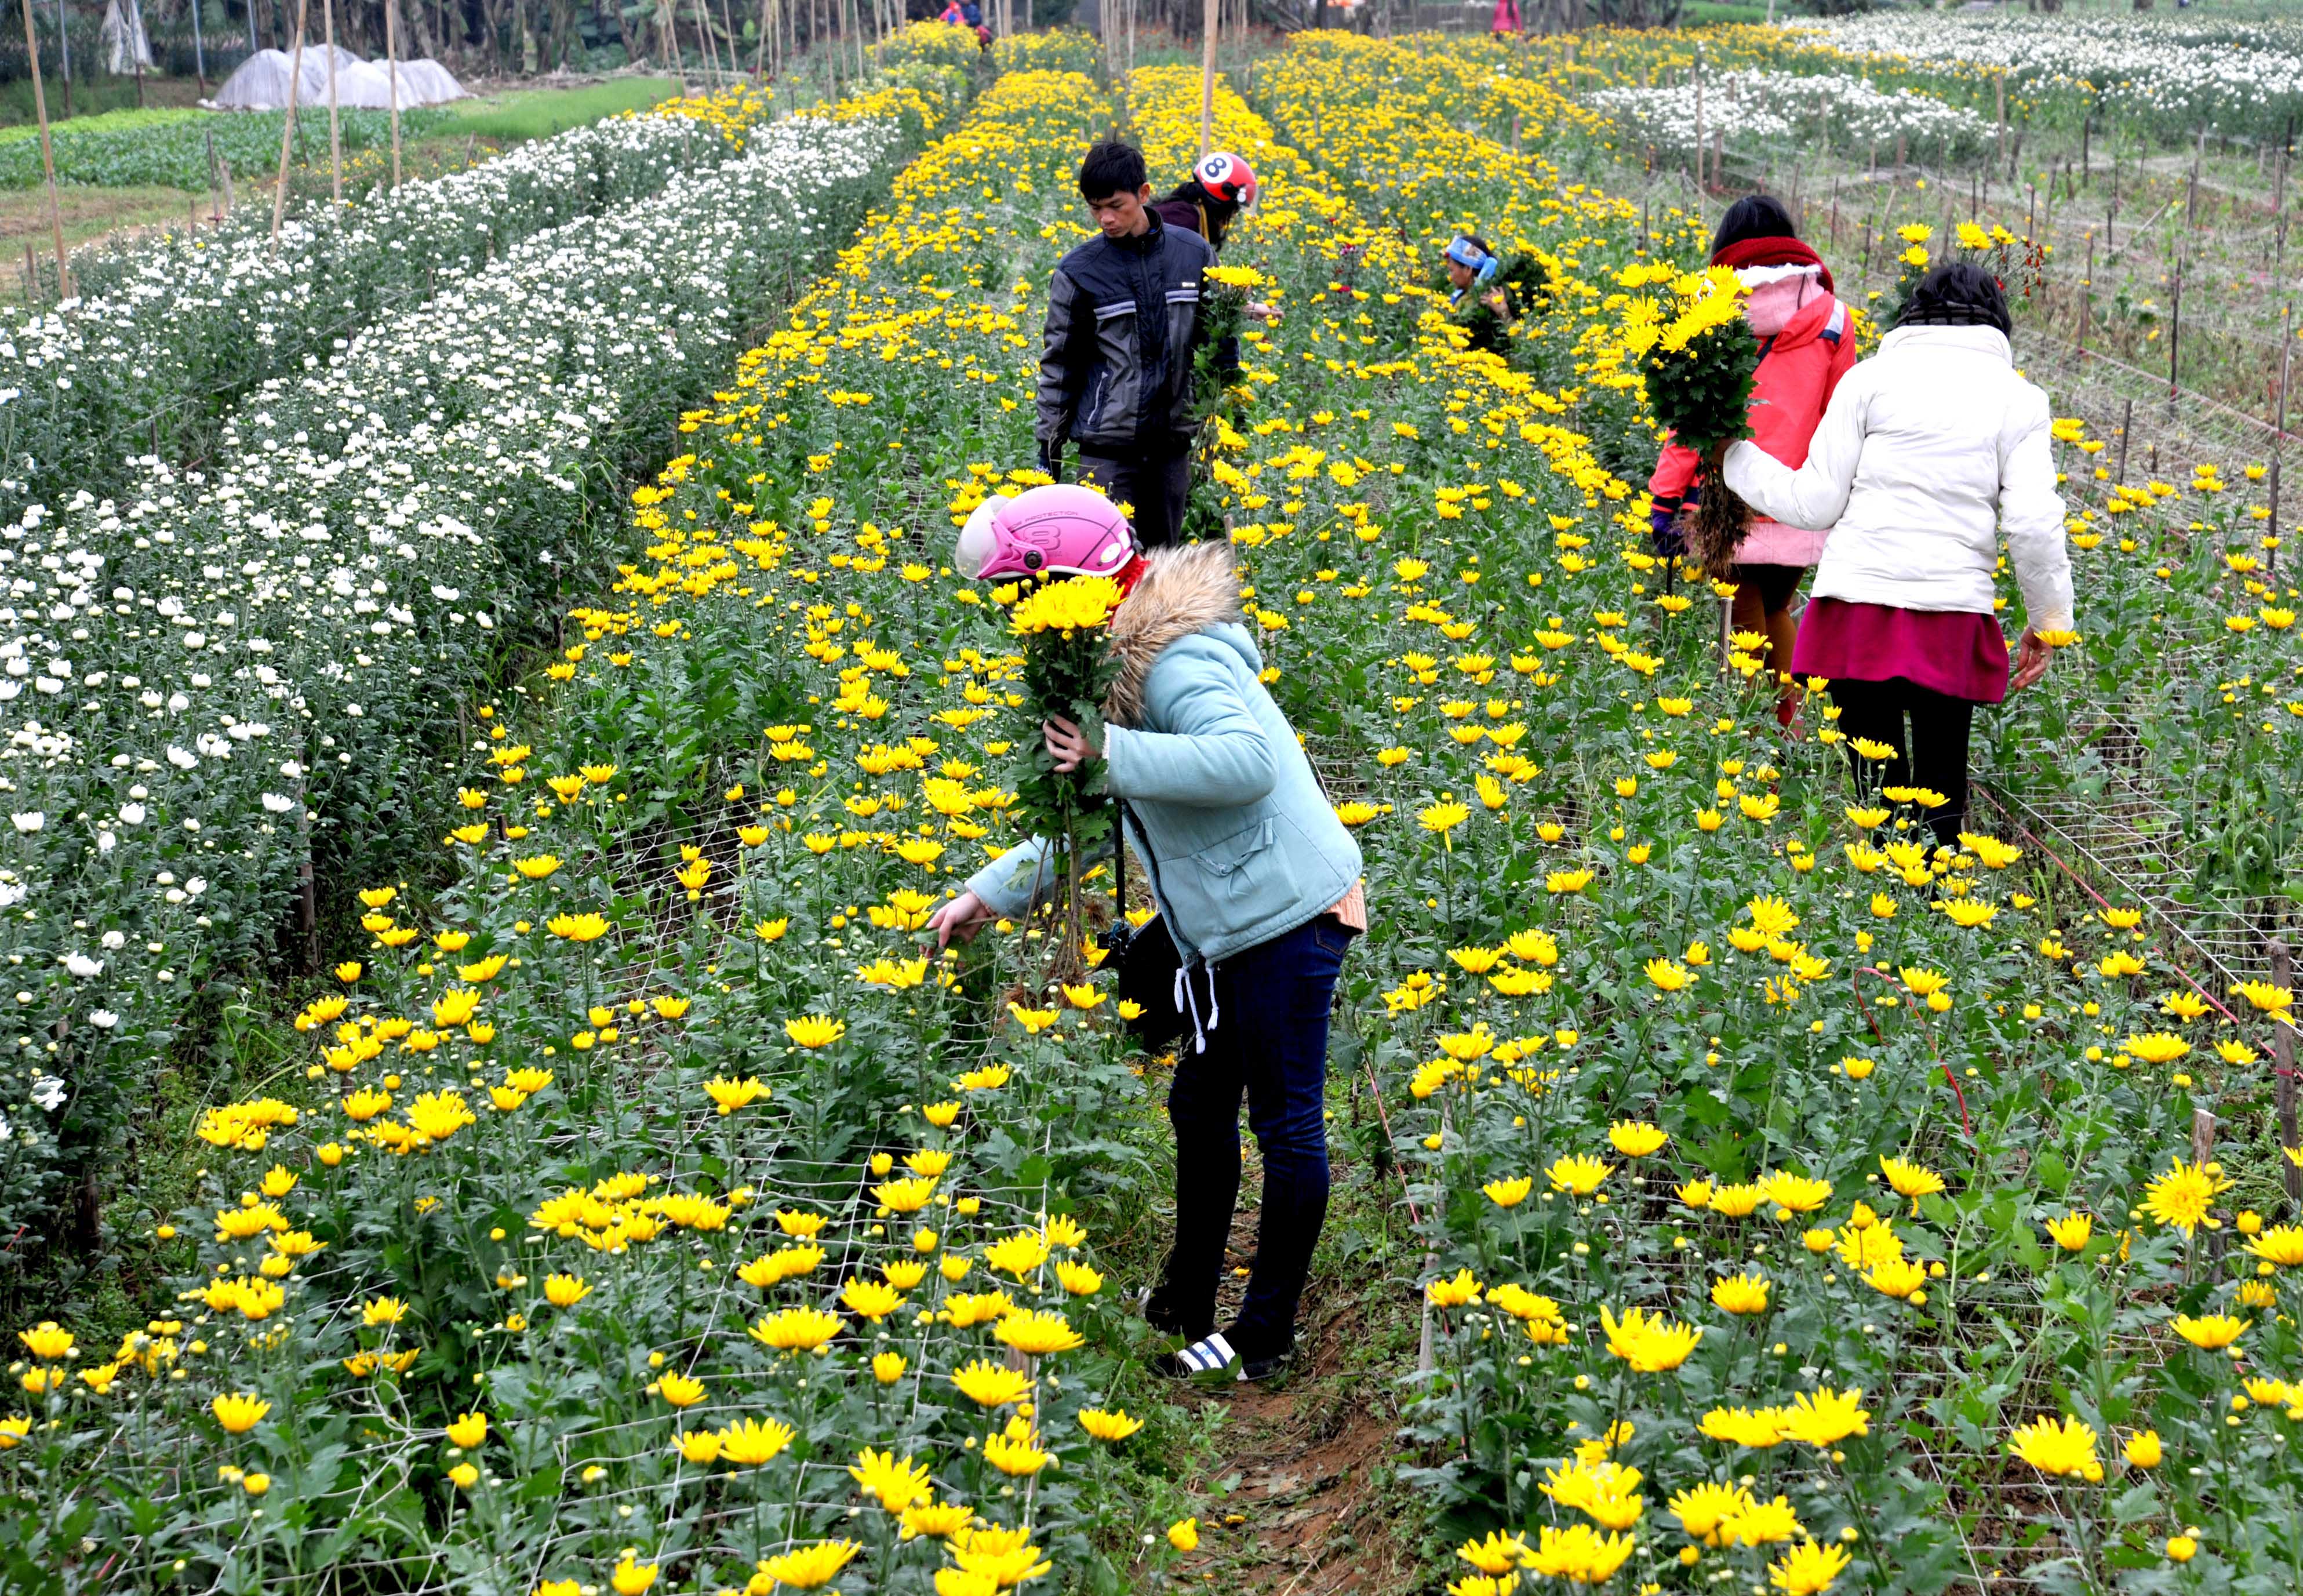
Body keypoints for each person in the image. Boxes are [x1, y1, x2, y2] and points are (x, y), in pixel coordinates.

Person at [930, 488, 1366, 1384]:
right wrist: (989, 893)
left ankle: (1263, 1338)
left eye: (1023, 597)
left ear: (1067, 585)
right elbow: (1120, 819)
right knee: (1199, 1104)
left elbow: (1241, 764)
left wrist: (1110, 754)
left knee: (1285, 1123)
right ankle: (1186, 1297)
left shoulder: (1175, 661)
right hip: (1228, 922)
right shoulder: (1123, 670)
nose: (1021, 621)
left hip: (1286, 916)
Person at [1720, 261, 2072, 846]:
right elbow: (2034, 524)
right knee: (1940, 803)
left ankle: (1883, 917)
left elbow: (1813, 502)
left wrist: (1733, 457)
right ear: (1997, 324)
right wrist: (2049, 622)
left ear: (1915, 313)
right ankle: (1931, 917)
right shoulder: (2019, 399)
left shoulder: (1868, 380)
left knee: (1877, 801)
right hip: (1950, 619)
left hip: (1854, 615)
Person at [1648, 194, 1857, 728]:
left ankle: (1749, 735)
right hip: (1798, 498)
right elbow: (1842, 417)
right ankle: (1788, 724)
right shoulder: (1832, 316)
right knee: (1773, 612)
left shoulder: (1706, 309)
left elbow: (1686, 424)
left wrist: (1664, 497)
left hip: (1722, 502)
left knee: (1739, 626)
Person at [1036, 140, 1227, 551]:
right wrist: (1047, 448)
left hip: (1170, 447)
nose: (1105, 218)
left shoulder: (1192, 253)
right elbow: (1059, 364)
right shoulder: (1079, 272)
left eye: (1115, 205)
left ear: (1142, 194)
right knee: (1104, 568)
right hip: (1106, 452)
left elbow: (1213, 331)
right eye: (1094, 207)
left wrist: (1224, 380)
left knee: (1163, 571)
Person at [1151, 150, 1258, 251]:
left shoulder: (1183, 212)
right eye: (1234, 210)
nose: (1233, 216)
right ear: (1221, 205)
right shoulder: (1184, 223)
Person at [1443, 234, 1512, 356]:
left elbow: (1520, 343)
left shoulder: (1490, 300)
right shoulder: (1461, 297)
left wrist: (1504, 313)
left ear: (1468, 270)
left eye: (1452, 270)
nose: (1450, 277)